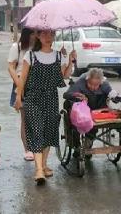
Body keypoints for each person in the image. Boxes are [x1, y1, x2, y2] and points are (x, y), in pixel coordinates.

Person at [15, 30, 76, 185]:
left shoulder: (58, 55)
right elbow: (22, 78)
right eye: (44, 34)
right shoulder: (30, 55)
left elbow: (64, 76)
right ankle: (39, 170)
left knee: (49, 131)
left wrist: (70, 60)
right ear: (38, 37)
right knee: (36, 130)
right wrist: (18, 97)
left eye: (51, 34)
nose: (48, 37)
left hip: (51, 98)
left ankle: (43, 164)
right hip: (33, 98)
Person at [8, 28, 36, 161]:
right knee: (25, 119)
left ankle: (37, 146)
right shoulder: (17, 47)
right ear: (28, 34)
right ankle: (27, 149)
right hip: (21, 84)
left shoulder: (39, 48)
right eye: (33, 33)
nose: (36, 36)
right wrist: (19, 84)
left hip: (36, 85)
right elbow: (11, 67)